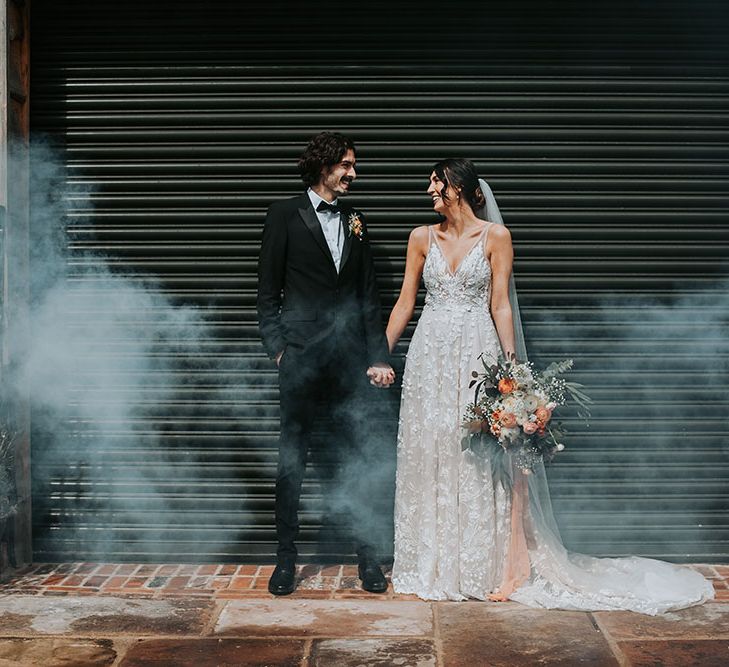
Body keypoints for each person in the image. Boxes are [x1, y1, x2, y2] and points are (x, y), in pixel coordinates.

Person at [386, 158, 714, 613]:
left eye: (435, 183)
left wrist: (513, 369)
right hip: (430, 353)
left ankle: (481, 565)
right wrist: (381, 353)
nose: (428, 191)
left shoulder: (496, 237)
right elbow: (405, 300)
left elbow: (500, 303)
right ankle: (432, 563)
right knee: (432, 445)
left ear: (456, 188)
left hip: (476, 351)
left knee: (478, 452)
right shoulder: (421, 237)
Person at [257, 131, 395, 595]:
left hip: (351, 365)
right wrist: (279, 349)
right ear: (324, 167)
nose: (353, 174)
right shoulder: (283, 215)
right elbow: (265, 294)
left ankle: (368, 560)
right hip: (301, 362)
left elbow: (369, 296)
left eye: (353, 166)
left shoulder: (357, 219)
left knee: (359, 460)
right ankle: (285, 561)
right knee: (291, 463)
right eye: (347, 166)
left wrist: (377, 355)